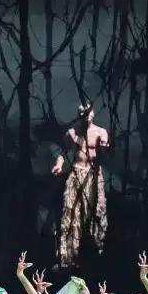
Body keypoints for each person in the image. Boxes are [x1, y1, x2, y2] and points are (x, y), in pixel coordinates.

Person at [51, 101, 109, 271]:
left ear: (93, 113)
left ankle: (95, 253)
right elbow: (63, 152)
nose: (86, 116)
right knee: (70, 213)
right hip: (76, 173)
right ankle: (68, 257)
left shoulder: (100, 132)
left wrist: (103, 148)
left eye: (88, 112)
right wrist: (59, 165)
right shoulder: (72, 133)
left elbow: (104, 155)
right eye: (82, 113)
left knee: (96, 211)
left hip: (93, 175)